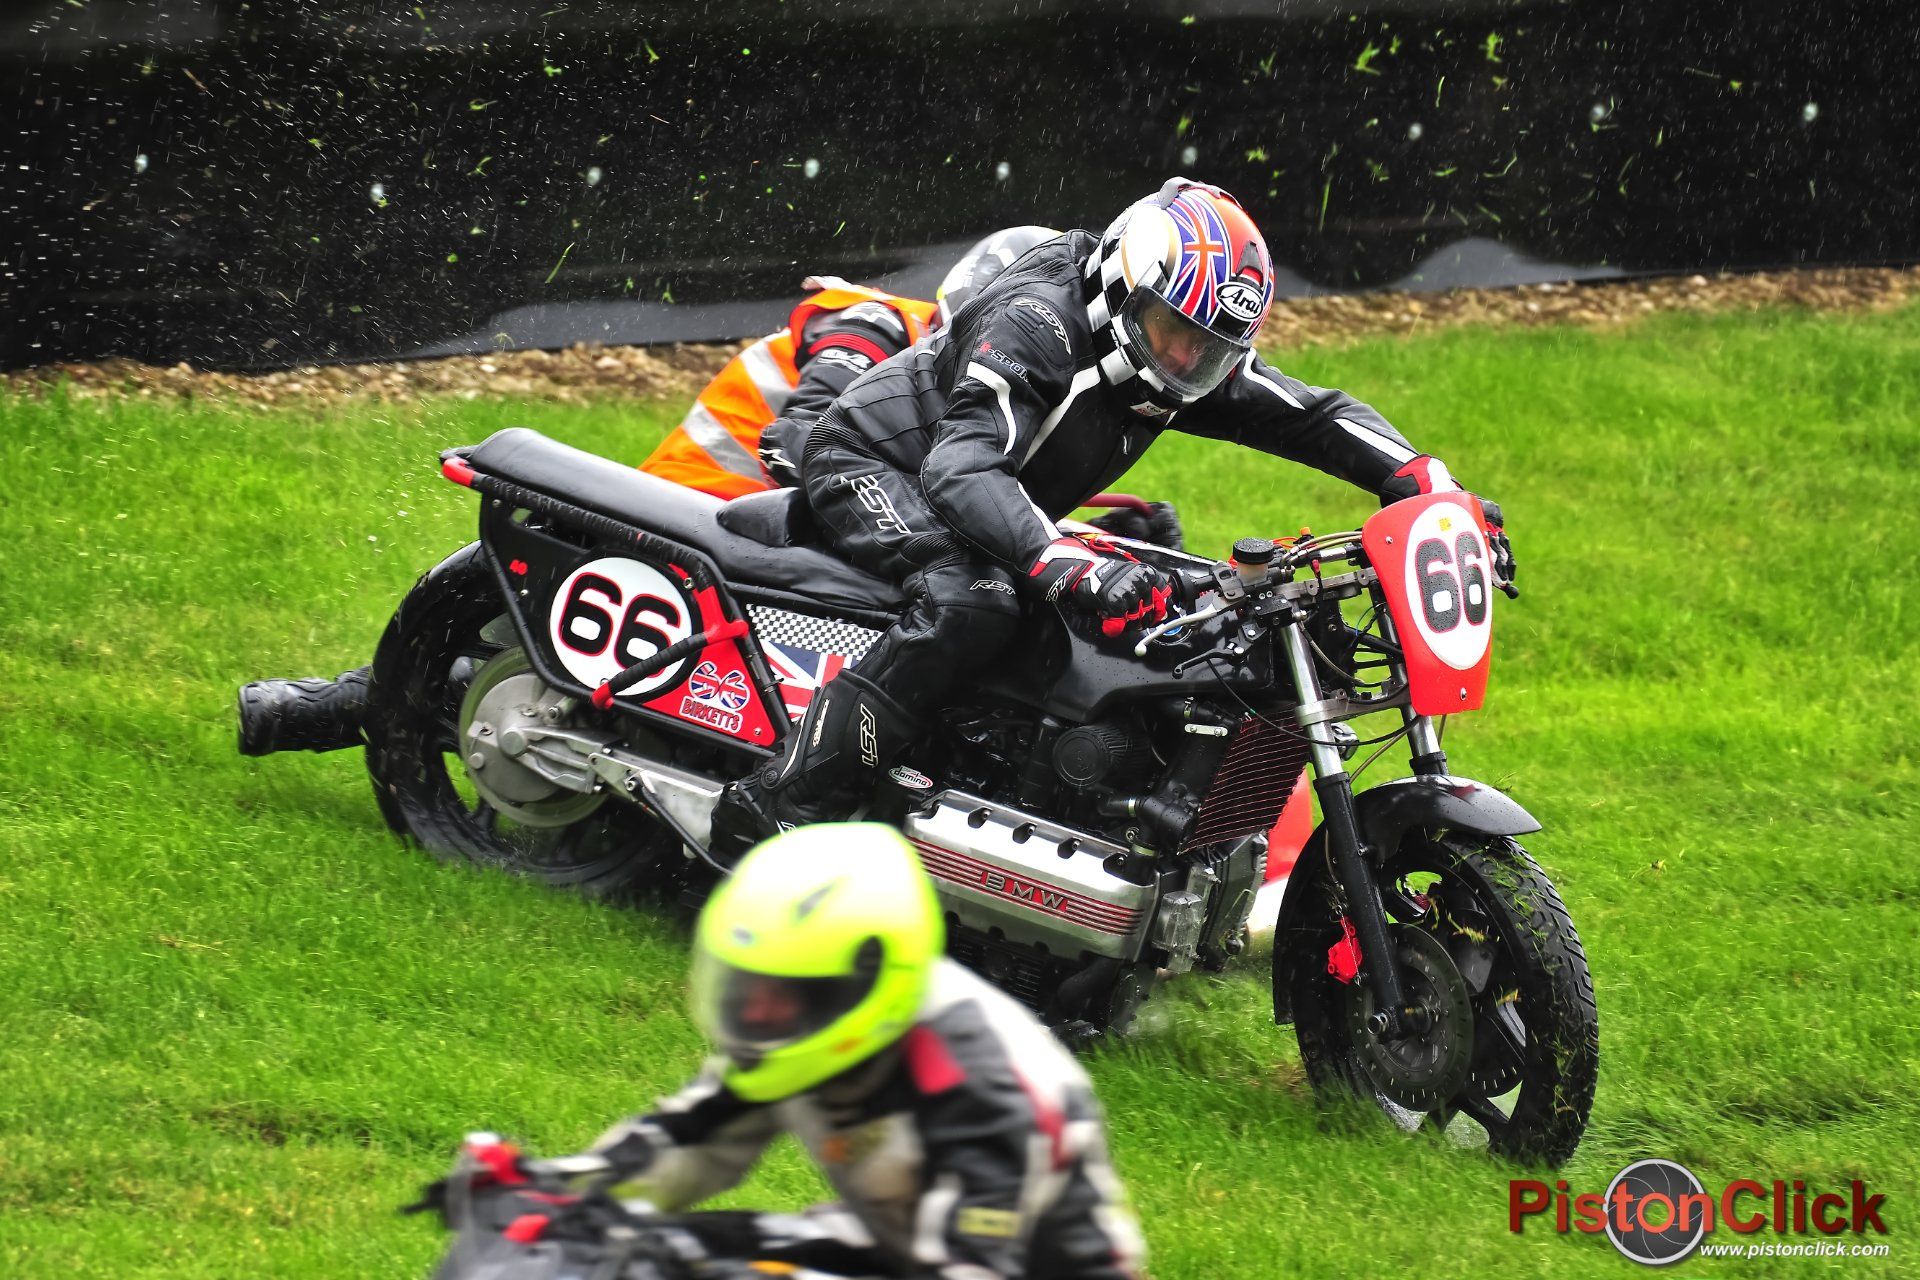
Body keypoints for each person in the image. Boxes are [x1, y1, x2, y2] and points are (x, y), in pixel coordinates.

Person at [715, 176, 1514, 844]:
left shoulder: (1180, 347)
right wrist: (1062, 562)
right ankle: (779, 811)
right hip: (878, 463)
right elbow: (959, 470)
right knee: (974, 601)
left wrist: (1428, 486)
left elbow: (1307, 412)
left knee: (1187, 604)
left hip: (994, 492)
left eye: (1207, 349)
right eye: (1172, 334)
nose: (1183, 362)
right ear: (1123, 289)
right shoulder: (1037, 322)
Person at [568, 823, 1145, 1279]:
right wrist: (561, 1202)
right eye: (747, 987)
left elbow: (973, 1261)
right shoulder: (794, 1040)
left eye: (783, 991)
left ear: (862, 983)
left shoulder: (986, 1085)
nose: (757, 1014)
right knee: (682, 1248)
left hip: (1010, 1264)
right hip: (902, 1241)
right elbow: (691, 1139)